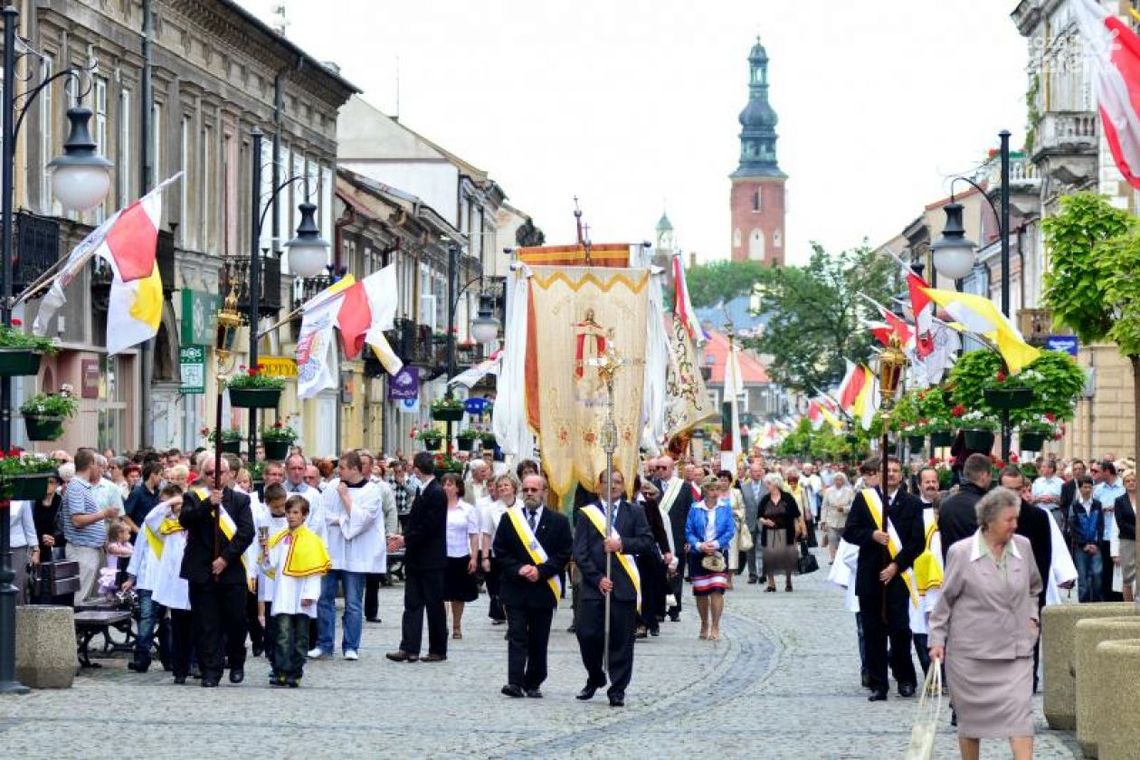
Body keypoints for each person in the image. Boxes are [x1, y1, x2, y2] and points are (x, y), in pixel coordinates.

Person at [928, 487, 1042, 760]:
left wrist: (1032, 618)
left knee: (1021, 719)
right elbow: (945, 601)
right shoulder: (961, 552)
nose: (1015, 524)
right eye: (1009, 519)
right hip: (971, 657)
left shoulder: (1023, 547)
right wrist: (936, 640)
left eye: (1017, 519)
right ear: (989, 520)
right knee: (971, 724)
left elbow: (1034, 588)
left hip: (1016, 652)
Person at [572, 468, 656, 708]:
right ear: (599, 486)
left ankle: (617, 688)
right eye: (608, 481)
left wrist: (622, 544)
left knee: (621, 640)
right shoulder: (588, 514)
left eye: (618, 481)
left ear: (624, 485)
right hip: (594, 586)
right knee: (587, 634)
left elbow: (647, 542)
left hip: (623, 586)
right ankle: (595, 676)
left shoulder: (635, 512)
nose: (613, 486)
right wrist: (597, 578)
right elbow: (580, 551)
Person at [843, 456, 925, 702]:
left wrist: (896, 565)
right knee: (872, 631)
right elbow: (850, 531)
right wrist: (871, 535)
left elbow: (916, 542)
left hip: (897, 576)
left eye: (895, 470)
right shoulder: (865, 499)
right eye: (886, 470)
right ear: (877, 474)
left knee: (900, 630)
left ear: (901, 475)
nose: (890, 474)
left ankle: (905, 678)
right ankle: (878, 683)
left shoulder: (911, 503)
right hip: (870, 575)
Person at [492, 472, 572, 698]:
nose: (529, 494)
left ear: (544, 492)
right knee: (516, 634)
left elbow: (564, 553)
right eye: (525, 490)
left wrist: (541, 571)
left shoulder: (559, 521)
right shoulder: (510, 519)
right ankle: (514, 682)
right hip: (516, 587)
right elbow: (501, 550)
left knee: (539, 637)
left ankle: (534, 681)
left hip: (543, 588)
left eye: (534, 490)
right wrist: (519, 568)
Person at [178, 455, 255, 687]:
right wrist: (207, 504)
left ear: (230, 474)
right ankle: (211, 670)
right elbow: (185, 520)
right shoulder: (193, 497)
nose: (215, 477)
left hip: (231, 571)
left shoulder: (241, 501)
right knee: (206, 624)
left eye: (219, 472)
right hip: (201, 570)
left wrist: (225, 559)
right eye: (210, 473)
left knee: (236, 621)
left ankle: (236, 659)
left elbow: (246, 533)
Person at [311, 451, 383, 661]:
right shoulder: (331, 487)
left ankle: (351, 645)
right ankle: (324, 643)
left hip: (357, 554)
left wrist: (344, 500)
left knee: (353, 602)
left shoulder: (372, 491)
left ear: (354, 469)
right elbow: (323, 515)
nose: (337, 471)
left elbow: (362, 520)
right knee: (324, 599)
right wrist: (344, 518)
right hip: (332, 550)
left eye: (342, 467)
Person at [260, 495, 331, 687]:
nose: (291, 516)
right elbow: (270, 566)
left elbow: (314, 571)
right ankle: (281, 670)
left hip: (302, 597)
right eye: (288, 512)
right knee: (282, 634)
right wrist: (266, 553)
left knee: (301, 637)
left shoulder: (312, 541)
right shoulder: (280, 538)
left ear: (304, 515)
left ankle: (296, 671)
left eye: (295, 513)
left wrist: (310, 595)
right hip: (284, 594)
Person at [387, 451, 448, 663]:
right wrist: (403, 536)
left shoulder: (436, 492)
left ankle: (438, 649)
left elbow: (429, 527)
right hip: (416, 557)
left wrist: (405, 539)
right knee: (412, 603)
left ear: (417, 469)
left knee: (434, 605)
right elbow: (416, 523)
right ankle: (409, 648)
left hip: (431, 559)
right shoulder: (424, 490)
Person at [144, 485, 194, 684]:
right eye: (176, 506)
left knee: (195, 628)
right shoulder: (167, 526)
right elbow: (150, 519)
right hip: (175, 587)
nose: (179, 509)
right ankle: (179, 669)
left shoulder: (194, 525)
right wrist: (169, 503)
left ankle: (193, 663)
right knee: (178, 628)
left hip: (193, 584)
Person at [685, 475, 736, 641]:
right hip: (698, 553)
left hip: (718, 553)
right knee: (701, 592)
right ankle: (704, 622)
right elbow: (689, 531)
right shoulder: (695, 508)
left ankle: (715, 625)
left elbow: (730, 530)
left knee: (717, 589)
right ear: (705, 490)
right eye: (712, 489)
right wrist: (699, 545)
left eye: (717, 489)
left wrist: (714, 544)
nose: (715, 493)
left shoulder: (725, 507)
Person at [63, 449, 116, 601]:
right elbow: (77, 520)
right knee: (81, 597)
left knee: (92, 599)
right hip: (82, 549)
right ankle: (76, 625)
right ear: (91, 464)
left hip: (91, 549)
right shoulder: (76, 487)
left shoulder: (82, 486)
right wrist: (104, 513)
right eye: (97, 464)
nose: (100, 469)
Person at [441, 473, 480, 639]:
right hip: (441, 555)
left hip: (461, 554)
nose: (446, 488)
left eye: (450, 484)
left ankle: (457, 625)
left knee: (458, 595)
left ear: (458, 488)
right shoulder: (438, 507)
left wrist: (474, 557)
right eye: (444, 484)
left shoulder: (468, 509)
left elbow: (474, 534)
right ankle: (442, 625)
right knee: (441, 594)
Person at [656, 456, 694, 621]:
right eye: (658, 467)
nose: (660, 470)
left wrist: (688, 538)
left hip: (678, 536)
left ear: (672, 468)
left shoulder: (684, 487)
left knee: (676, 573)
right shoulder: (651, 486)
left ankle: (674, 609)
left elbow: (689, 513)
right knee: (658, 573)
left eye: (664, 468)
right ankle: (658, 609)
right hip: (657, 537)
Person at [938, 453, 993, 559]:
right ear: (984, 476)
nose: (991, 480)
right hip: (978, 570)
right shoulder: (986, 506)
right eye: (990, 475)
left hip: (952, 569)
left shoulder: (946, 505)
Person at [481, 474, 517, 625]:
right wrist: (485, 557)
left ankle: (514, 620)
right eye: (500, 486)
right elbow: (487, 534)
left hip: (519, 556)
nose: (502, 488)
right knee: (499, 589)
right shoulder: (492, 509)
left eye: (506, 485)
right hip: (498, 555)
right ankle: (503, 615)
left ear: (514, 488)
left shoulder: (522, 506)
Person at [757, 472, 800, 592]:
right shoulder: (765, 498)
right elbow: (759, 515)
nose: (767, 485)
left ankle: (788, 582)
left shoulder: (787, 497)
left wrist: (798, 528)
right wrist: (765, 521)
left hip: (786, 531)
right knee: (769, 558)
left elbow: (796, 514)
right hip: (769, 532)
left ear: (776, 484)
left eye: (769, 483)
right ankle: (771, 584)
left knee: (787, 557)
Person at [1070, 476, 1104, 603]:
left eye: (1090, 487)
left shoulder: (1097, 504)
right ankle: (1083, 604)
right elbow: (1073, 527)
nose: (1087, 489)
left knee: (1097, 573)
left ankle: (1097, 602)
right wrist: (1083, 544)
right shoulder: (1075, 505)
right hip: (1081, 546)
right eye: (1084, 487)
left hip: (1095, 545)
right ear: (1079, 488)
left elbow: (1100, 525)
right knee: (1083, 577)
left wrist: (1096, 543)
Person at [1110, 469, 1138, 602]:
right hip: (1127, 540)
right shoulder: (1119, 501)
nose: (1131, 483)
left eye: (1133, 480)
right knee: (1128, 576)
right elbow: (1121, 522)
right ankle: (1128, 605)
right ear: (1124, 484)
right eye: (1128, 481)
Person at [739, 460, 767, 583]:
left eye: (759, 471)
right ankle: (752, 574)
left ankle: (762, 573)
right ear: (750, 473)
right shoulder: (744, 487)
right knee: (750, 550)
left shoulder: (767, 486)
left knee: (763, 548)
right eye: (754, 471)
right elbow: (742, 505)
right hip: (749, 522)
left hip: (764, 522)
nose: (757, 473)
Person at [8, 499, 37, 605]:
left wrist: (35, 549)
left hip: (17, 546)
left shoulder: (21, 498)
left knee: (17, 584)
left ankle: (17, 616)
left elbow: (29, 525)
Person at [820, 471, 854, 563]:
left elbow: (853, 505)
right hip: (831, 518)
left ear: (844, 480)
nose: (838, 481)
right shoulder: (828, 491)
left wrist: (844, 509)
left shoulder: (849, 491)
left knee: (842, 540)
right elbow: (824, 506)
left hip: (844, 519)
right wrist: (823, 520)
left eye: (840, 479)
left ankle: (841, 556)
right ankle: (833, 557)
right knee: (832, 539)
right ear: (834, 480)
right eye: (836, 479)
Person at [99, 519, 133, 596]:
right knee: (112, 591)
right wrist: (132, 552)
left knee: (123, 589)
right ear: (120, 534)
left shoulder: (126, 544)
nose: (129, 535)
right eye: (128, 533)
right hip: (114, 573)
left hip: (123, 573)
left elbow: (131, 550)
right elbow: (119, 551)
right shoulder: (112, 545)